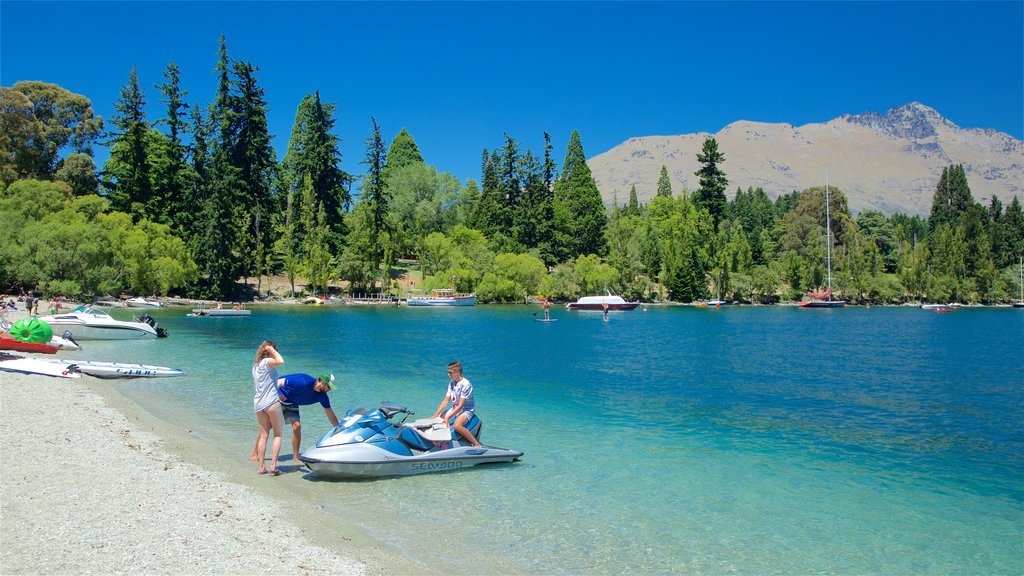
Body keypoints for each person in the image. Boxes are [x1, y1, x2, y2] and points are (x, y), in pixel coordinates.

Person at [250, 372, 340, 462]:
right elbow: (278, 382)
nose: (329, 390)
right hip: (277, 398)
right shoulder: (303, 382)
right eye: (329, 387)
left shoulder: (322, 397)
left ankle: (295, 457)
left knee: (297, 426)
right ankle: (255, 453)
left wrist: (339, 430)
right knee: (268, 426)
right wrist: (278, 395)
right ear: (323, 382)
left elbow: (330, 414)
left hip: (291, 402)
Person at [252, 340, 285, 475]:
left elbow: (256, 386)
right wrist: (273, 351)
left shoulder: (255, 366)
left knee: (263, 435)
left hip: (259, 403)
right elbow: (281, 361)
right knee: (278, 435)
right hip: (271, 402)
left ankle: (261, 467)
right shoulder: (267, 362)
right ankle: (273, 465)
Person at [433, 361, 481, 447]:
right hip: (455, 408)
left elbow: (461, 405)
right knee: (438, 419)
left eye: (450, 372)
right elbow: (446, 401)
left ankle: (476, 443)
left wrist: (448, 417)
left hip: (466, 410)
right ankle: (437, 441)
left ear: (457, 372)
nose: (448, 374)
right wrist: (436, 415)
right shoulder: (451, 383)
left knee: (457, 426)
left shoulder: (466, 384)